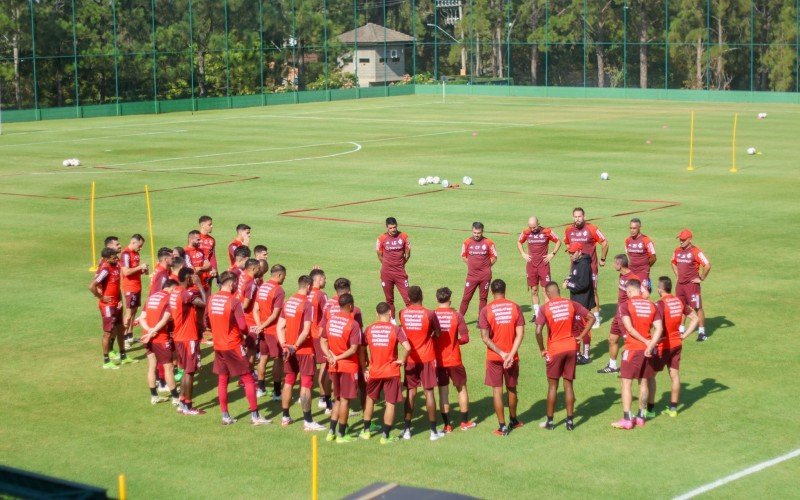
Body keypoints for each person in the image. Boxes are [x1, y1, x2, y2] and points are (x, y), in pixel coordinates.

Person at [206, 271, 270, 426]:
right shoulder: (234, 302)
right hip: (233, 345)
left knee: (222, 379)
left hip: (218, 345)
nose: (236, 286)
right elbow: (242, 326)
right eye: (235, 283)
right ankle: (255, 416)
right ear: (230, 283)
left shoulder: (212, 298)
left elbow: (207, 322)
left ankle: (225, 416)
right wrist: (250, 334)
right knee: (247, 377)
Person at [534, 282, 595, 430]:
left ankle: (550, 422)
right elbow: (592, 317)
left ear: (548, 294)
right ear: (559, 291)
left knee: (553, 386)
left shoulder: (544, 308)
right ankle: (570, 421)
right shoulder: (571, 304)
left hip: (555, 349)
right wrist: (581, 335)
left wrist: (542, 349)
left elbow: (538, 331)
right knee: (568, 386)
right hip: (571, 347)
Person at [611, 279, 663, 430]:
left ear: (628, 291)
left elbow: (630, 329)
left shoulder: (625, 305)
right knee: (644, 382)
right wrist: (650, 343)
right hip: (648, 350)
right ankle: (641, 416)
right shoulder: (652, 305)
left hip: (633, 349)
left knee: (626, 383)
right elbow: (659, 329)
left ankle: (627, 418)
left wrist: (645, 342)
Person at [276, 275, 326, 431]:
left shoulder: (289, 301)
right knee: (306, 385)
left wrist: (285, 345)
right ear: (310, 287)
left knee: (289, 380)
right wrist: (295, 346)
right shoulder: (307, 304)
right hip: (303, 350)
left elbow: (280, 327)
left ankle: (285, 416)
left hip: (288, 349)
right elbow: (305, 331)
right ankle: (308, 421)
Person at [648, 276, 700, 417]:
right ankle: (673, 409)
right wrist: (685, 335)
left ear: (660, 289)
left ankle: (651, 410)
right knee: (675, 376)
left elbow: (656, 326)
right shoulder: (679, 301)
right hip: (677, 343)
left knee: (651, 376)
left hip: (663, 345)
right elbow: (695, 319)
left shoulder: (659, 304)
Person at [361, 302, 412, 444]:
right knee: (390, 402)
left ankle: (366, 431)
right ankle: (385, 436)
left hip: (374, 371)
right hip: (391, 371)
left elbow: (361, 349)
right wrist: (402, 360)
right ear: (390, 313)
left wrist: (364, 367)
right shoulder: (395, 329)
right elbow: (407, 347)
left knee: (370, 398)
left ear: (376, 314)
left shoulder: (369, 329)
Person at [479, 279, 524, 436]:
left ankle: (502, 427)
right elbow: (520, 334)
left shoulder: (486, 310)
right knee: (512, 388)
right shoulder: (515, 307)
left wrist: (501, 353)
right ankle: (514, 420)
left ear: (492, 292)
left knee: (497, 391)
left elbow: (485, 337)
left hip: (494, 357)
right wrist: (510, 354)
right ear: (505, 290)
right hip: (512, 357)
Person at [400, 285, 445, 441]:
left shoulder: (403, 313)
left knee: (411, 393)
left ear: (409, 298)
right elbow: (438, 333)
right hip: (426, 357)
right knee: (429, 392)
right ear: (422, 297)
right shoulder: (429, 314)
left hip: (410, 358)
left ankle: (407, 430)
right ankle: (433, 432)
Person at [320, 294, 365, 443]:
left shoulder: (331, 320)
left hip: (334, 366)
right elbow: (353, 349)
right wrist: (337, 358)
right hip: (347, 367)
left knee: (337, 399)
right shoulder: (353, 324)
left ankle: (331, 432)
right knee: (345, 400)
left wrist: (330, 356)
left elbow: (323, 340)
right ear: (350, 306)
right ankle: (342, 434)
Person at [433, 287, 475, 432]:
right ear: (450, 299)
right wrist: (455, 343)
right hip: (455, 359)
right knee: (461, 389)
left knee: (443, 392)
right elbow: (465, 338)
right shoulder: (457, 316)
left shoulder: (432, 316)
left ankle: (447, 426)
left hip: (438, 361)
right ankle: (464, 423)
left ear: (437, 299)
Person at [89, 247, 134, 369]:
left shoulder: (116, 266)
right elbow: (91, 286)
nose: (116, 258)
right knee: (107, 333)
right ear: (107, 259)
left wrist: (119, 299)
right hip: (107, 306)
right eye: (114, 257)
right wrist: (101, 297)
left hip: (116, 304)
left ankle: (123, 356)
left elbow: (116, 286)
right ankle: (106, 360)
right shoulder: (105, 269)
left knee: (120, 329)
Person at [170, 267, 207, 415]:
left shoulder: (175, 292)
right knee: (190, 372)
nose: (194, 278)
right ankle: (188, 406)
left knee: (186, 370)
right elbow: (205, 303)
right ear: (188, 278)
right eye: (193, 277)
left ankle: (182, 402)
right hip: (188, 337)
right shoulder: (185, 294)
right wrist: (199, 285)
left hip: (179, 336)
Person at [563, 207, 608, 328]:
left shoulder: (592, 229)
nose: (577, 219)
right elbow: (567, 244)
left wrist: (602, 259)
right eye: (575, 217)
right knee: (575, 290)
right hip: (575, 267)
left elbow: (604, 243)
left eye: (580, 216)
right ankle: (578, 316)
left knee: (593, 290)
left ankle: (596, 317)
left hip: (590, 266)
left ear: (584, 216)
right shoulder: (568, 230)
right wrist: (571, 261)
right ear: (573, 217)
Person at [138, 280, 180, 406]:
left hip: (147, 336)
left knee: (152, 366)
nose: (175, 293)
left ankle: (154, 396)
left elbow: (141, 318)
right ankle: (176, 397)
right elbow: (164, 320)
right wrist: (154, 331)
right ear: (170, 288)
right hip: (160, 338)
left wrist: (149, 330)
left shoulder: (151, 298)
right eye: (174, 290)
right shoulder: (168, 299)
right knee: (168, 367)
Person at [598, 254, 640, 374]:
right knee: (612, 339)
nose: (613, 265)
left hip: (626, 315)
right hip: (618, 314)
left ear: (619, 264)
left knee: (630, 341)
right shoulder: (622, 275)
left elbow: (642, 295)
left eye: (614, 263)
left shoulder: (633, 278)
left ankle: (635, 366)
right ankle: (612, 366)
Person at [517, 216, 561, 320]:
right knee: (534, 290)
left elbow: (558, 241)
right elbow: (519, 242)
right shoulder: (526, 232)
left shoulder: (547, 231)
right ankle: (537, 313)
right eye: (531, 227)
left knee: (545, 290)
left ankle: (546, 313)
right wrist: (523, 253)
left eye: (534, 227)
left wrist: (552, 254)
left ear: (538, 223)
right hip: (531, 265)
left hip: (543, 265)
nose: (533, 229)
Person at [253, 264, 286, 399]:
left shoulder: (263, 287)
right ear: (279, 275)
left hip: (262, 329)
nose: (284, 278)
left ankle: (261, 388)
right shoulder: (278, 290)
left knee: (263, 357)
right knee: (278, 359)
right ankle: (277, 392)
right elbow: (274, 314)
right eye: (284, 276)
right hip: (273, 331)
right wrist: (263, 326)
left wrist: (259, 325)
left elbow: (255, 309)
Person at [671, 229, 711, 341]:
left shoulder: (695, 251)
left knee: (697, 307)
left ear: (690, 239)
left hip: (692, 285)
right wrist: (677, 275)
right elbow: (673, 262)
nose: (681, 241)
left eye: (683, 240)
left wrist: (701, 278)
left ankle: (702, 332)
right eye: (680, 239)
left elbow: (707, 265)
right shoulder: (677, 251)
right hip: (680, 285)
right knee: (681, 307)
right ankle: (681, 329)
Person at [563, 242, 595, 364]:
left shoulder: (584, 265)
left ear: (579, 252)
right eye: (569, 253)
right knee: (576, 328)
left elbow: (583, 284)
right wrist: (569, 279)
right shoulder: (577, 262)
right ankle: (577, 354)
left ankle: (586, 355)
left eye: (572, 252)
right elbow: (576, 278)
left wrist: (568, 285)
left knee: (583, 328)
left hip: (582, 302)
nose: (570, 255)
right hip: (577, 300)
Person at [459, 222, 498, 316]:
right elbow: (463, 256)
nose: (476, 235)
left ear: (482, 232)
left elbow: (494, 257)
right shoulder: (467, 242)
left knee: (483, 298)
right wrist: (471, 264)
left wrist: (487, 266)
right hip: (472, 276)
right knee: (466, 298)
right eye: (475, 232)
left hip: (485, 276)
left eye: (478, 233)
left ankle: (481, 320)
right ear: (472, 231)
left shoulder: (488, 242)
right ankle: (459, 319)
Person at [376, 217, 411, 319]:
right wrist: (387, 265)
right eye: (390, 228)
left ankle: (411, 321)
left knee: (408, 299)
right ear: (387, 227)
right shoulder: (381, 238)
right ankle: (392, 322)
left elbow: (408, 254)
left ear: (397, 226)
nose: (393, 230)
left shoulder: (404, 236)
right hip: (386, 273)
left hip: (400, 273)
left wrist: (400, 265)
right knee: (389, 299)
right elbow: (379, 255)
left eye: (394, 227)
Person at [308, 268, 332, 412]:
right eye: (323, 278)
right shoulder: (321, 295)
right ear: (318, 280)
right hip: (317, 334)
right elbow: (327, 314)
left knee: (308, 366)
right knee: (324, 367)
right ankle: (323, 399)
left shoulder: (306, 292)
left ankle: (305, 393)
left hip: (306, 334)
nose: (325, 281)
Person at [120, 234, 149, 347]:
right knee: (128, 314)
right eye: (140, 245)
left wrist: (143, 270)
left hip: (137, 286)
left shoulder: (136, 253)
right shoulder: (126, 254)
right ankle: (123, 340)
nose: (140, 248)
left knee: (133, 312)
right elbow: (126, 272)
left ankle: (129, 335)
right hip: (130, 288)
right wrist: (139, 267)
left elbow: (134, 270)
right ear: (133, 242)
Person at [625, 218, 656, 291]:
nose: (632, 230)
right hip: (632, 270)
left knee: (643, 292)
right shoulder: (627, 240)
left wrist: (645, 266)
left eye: (634, 228)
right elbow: (629, 254)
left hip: (643, 271)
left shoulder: (646, 240)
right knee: (632, 291)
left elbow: (653, 257)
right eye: (631, 228)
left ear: (639, 228)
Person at [198, 215, 218, 286]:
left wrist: (215, 270)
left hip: (208, 271)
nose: (212, 226)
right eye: (209, 224)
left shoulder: (211, 240)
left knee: (207, 294)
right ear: (202, 225)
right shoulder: (196, 237)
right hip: (197, 270)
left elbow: (212, 256)